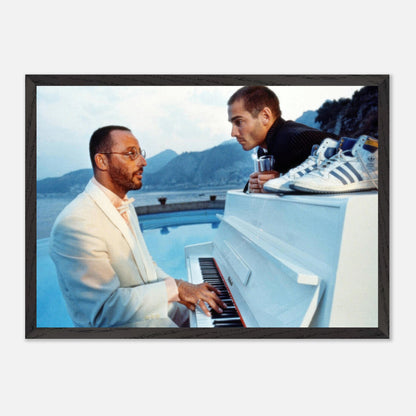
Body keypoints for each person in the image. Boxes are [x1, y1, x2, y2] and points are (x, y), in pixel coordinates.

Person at [50, 125, 227, 328]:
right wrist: (176, 289)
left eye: (140, 153)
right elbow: (103, 311)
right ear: (102, 161)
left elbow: (147, 268)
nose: (143, 162)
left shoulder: (125, 206)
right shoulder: (75, 224)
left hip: (154, 316)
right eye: (131, 154)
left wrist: (185, 292)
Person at [227, 86, 340, 193]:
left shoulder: (296, 139)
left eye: (239, 122)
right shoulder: (264, 149)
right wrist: (253, 185)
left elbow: (351, 154)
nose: (233, 133)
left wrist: (282, 181)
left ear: (265, 116)